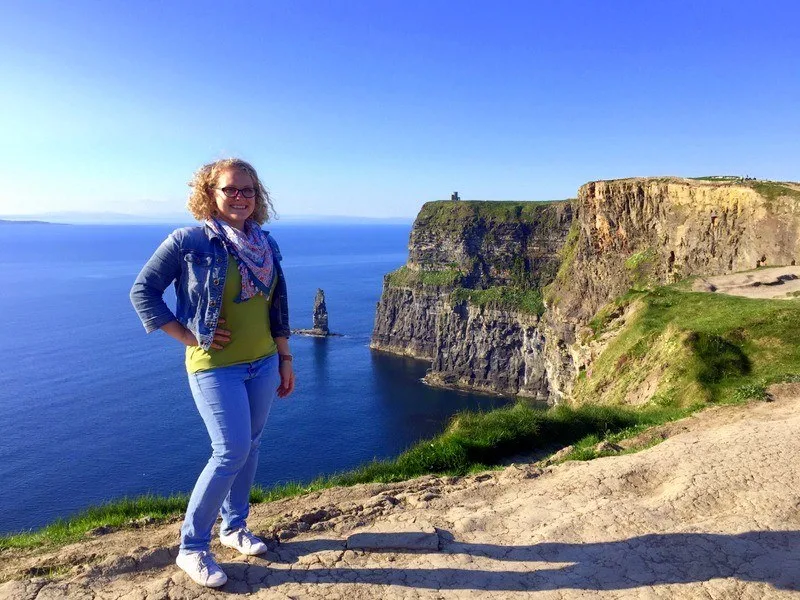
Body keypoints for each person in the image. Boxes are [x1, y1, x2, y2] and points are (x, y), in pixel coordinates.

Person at [130, 158, 295, 588]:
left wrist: (285, 357)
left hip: (263, 362)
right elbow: (143, 291)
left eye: (248, 190)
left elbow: (276, 304)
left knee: (251, 446)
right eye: (230, 190)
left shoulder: (265, 243)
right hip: (214, 365)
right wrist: (188, 336)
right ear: (210, 193)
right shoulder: (189, 241)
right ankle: (192, 547)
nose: (240, 197)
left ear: (257, 197)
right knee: (229, 450)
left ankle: (235, 527)